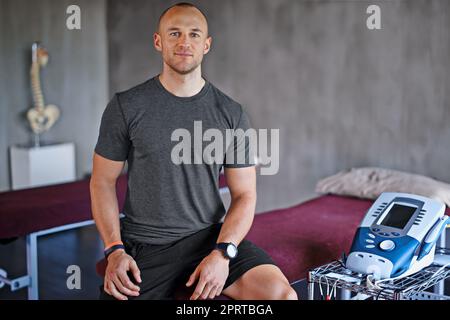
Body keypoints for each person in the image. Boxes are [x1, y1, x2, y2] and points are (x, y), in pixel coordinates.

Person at [90, 2, 297, 300]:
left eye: (194, 34)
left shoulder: (231, 113)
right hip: (147, 245)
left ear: (206, 44)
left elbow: (245, 195)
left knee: (282, 297)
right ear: (158, 42)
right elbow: (101, 182)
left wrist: (223, 254)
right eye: (174, 33)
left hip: (209, 239)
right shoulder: (126, 106)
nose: (185, 42)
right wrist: (114, 250)